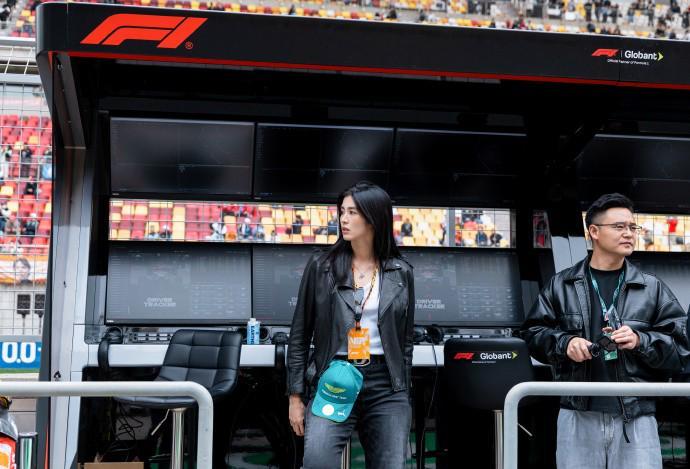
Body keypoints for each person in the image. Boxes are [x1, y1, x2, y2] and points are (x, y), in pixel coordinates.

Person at [521, 193, 689, 469]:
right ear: (594, 232)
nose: (629, 233)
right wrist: (565, 343)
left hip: (636, 418)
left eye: (632, 227)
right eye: (619, 226)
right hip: (578, 415)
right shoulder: (561, 285)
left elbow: (682, 348)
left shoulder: (652, 288)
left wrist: (640, 340)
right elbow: (531, 333)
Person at [287, 181, 415, 469]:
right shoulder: (321, 266)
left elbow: (405, 342)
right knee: (317, 462)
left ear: (374, 217)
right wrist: (295, 397)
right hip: (334, 375)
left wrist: (403, 392)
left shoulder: (401, 272)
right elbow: (299, 334)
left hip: (386, 384)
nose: (344, 219)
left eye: (353, 212)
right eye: (342, 212)